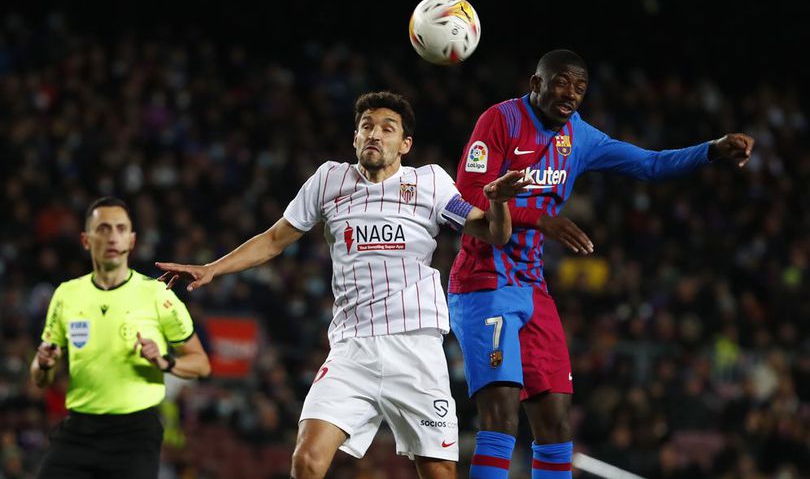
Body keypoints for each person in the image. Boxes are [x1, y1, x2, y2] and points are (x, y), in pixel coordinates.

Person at [155, 91, 530, 479]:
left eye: (388, 128)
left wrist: (499, 202)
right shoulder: (329, 179)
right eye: (366, 126)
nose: (374, 134)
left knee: (438, 473)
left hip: (415, 346)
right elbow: (273, 239)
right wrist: (213, 268)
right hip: (352, 348)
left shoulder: (429, 183)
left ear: (405, 144)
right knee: (306, 461)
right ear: (354, 137)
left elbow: (492, 233)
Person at [447, 49, 755, 478]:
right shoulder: (500, 121)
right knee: (501, 416)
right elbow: (465, 197)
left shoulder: (580, 137)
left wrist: (712, 149)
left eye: (579, 86)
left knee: (556, 424)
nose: (570, 93)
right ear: (535, 84)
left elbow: (649, 164)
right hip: (483, 285)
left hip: (532, 289)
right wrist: (539, 220)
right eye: (560, 82)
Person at [31, 196, 211, 479]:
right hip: (79, 429)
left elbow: (201, 363)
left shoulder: (157, 294)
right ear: (86, 239)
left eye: (120, 228)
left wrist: (165, 363)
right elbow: (40, 379)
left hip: (135, 433)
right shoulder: (66, 294)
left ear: (132, 240)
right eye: (103, 228)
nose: (112, 236)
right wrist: (43, 364)